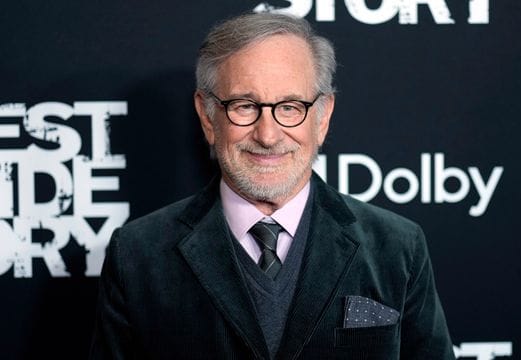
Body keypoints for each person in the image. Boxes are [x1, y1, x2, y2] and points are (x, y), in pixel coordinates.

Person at [90, 12, 455, 360]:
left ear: (323, 117)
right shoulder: (138, 255)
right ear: (207, 116)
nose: (267, 135)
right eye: (244, 106)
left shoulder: (397, 247)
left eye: (290, 106)